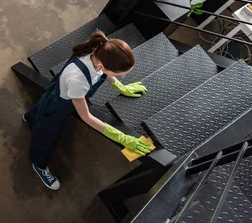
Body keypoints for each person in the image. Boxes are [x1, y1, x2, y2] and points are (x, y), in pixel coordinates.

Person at [23, 30, 154, 190]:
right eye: (120, 75)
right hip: (60, 104)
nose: (122, 77)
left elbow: (105, 73)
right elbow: (86, 117)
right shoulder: (79, 80)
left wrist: (122, 88)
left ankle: (30, 118)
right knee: (47, 136)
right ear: (101, 66)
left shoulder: (100, 50)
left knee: (43, 106)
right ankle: (39, 164)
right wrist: (123, 138)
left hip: (63, 89)